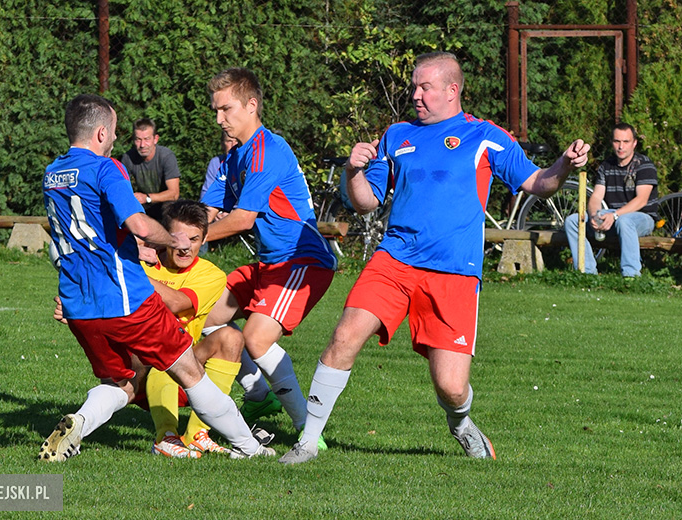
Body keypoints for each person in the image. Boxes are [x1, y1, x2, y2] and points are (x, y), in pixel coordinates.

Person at [279, 51, 591, 464]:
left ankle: (461, 424)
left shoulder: (485, 135)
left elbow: (537, 182)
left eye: (424, 87)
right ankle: (307, 442)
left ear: (451, 89)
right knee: (344, 336)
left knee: (451, 388)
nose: (416, 95)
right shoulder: (396, 134)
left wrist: (565, 164)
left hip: (454, 273)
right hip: (395, 260)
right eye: (413, 87)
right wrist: (353, 171)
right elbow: (366, 203)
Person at [39, 94, 273, 461]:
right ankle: (249, 447)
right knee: (189, 370)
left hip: (78, 305)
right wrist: (170, 238)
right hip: (127, 299)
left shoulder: (52, 174)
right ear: (101, 133)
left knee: (121, 382)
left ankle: (79, 424)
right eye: (114, 132)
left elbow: (87, 233)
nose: (116, 139)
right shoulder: (106, 168)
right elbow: (139, 223)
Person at [46, 200, 250, 459]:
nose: (184, 246)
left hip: (186, 369)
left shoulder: (210, 274)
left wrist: (127, 275)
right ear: (164, 235)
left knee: (229, 337)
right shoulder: (138, 262)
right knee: (157, 354)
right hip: (138, 368)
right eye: (177, 238)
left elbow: (177, 303)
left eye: (194, 238)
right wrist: (75, 310)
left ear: (205, 238)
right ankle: (164, 437)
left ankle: (198, 434)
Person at [200, 68, 337, 444]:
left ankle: (308, 432)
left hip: (302, 262)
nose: (219, 119)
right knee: (205, 318)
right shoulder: (236, 157)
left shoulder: (267, 150)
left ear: (251, 105)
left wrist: (187, 243)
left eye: (226, 109)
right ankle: (260, 397)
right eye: (216, 110)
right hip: (269, 264)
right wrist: (165, 237)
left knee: (257, 339)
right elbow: (204, 213)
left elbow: (241, 219)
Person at [564, 123, 658, 277]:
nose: (621, 146)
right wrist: (594, 215)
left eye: (626, 142)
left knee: (625, 221)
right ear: (612, 142)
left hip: (641, 217)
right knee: (573, 221)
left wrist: (615, 215)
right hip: (611, 216)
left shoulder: (644, 165)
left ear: (634, 143)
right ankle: (586, 273)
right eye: (617, 141)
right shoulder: (606, 166)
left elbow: (641, 200)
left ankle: (631, 275)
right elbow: (596, 197)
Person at [121, 117, 181, 221]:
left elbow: (174, 194)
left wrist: (147, 198)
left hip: (166, 207)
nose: (142, 145)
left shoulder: (166, 156)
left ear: (155, 139)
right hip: (143, 208)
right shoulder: (128, 158)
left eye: (147, 139)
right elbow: (122, 188)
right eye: (138, 140)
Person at [199, 131, 239, 254]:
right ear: (222, 144)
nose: (233, 145)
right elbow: (207, 193)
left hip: (241, 211)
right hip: (218, 210)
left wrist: (232, 213)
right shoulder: (216, 164)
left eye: (236, 141)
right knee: (199, 219)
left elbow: (249, 198)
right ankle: (200, 257)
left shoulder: (249, 164)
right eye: (228, 141)